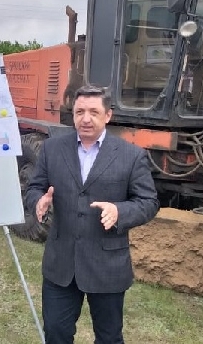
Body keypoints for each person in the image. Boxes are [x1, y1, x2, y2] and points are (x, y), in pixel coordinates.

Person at [25, 84, 159, 344]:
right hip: (61, 264)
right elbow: (34, 187)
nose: (85, 119)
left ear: (108, 115)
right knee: (56, 333)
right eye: (80, 112)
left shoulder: (131, 156)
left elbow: (148, 202)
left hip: (107, 265)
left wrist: (120, 211)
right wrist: (38, 201)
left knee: (109, 337)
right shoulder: (52, 149)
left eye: (94, 112)